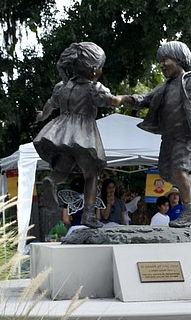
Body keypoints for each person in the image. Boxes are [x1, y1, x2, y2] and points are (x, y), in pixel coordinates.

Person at [122, 41, 191, 228]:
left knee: (178, 170)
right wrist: (126, 99)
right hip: (168, 135)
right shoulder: (164, 87)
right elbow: (146, 99)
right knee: (165, 173)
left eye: (165, 59)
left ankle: (189, 211)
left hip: (186, 133)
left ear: (179, 60)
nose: (162, 64)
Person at [33, 42, 125, 228]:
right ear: (93, 70)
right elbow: (112, 101)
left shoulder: (62, 86)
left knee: (61, 169)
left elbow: (50, 105)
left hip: (61, 133)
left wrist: (42, 115)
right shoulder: (93, 88)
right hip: (83, 136)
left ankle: (51, 180)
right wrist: (126, 100)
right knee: (91, 174)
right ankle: (89, 215)